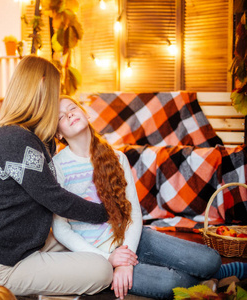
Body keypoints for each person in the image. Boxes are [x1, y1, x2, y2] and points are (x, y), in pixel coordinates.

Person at [52, 95, 233, 299]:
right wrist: (111, 260)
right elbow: (60, 228)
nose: (69, 115)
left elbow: (133, 213)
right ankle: (211, 283)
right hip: (100, 258)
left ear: (84, 113)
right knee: (170, 283)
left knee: (210, 260)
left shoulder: (117, 158)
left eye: (72, 108)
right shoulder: (57, 166)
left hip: (133, 239)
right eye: (60, 117)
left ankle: (216, 275)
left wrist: (126, 258)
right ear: (58, 133)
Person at [0, 55, 120, 296]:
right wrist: (107, 212)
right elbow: (55, 199)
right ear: (41, 87)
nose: (56, 98)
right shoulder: (14, 138)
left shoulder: (34, 137)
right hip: (5, 264)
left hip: (29, 244)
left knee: (85, 240)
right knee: (102, 270)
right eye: (54, 90)